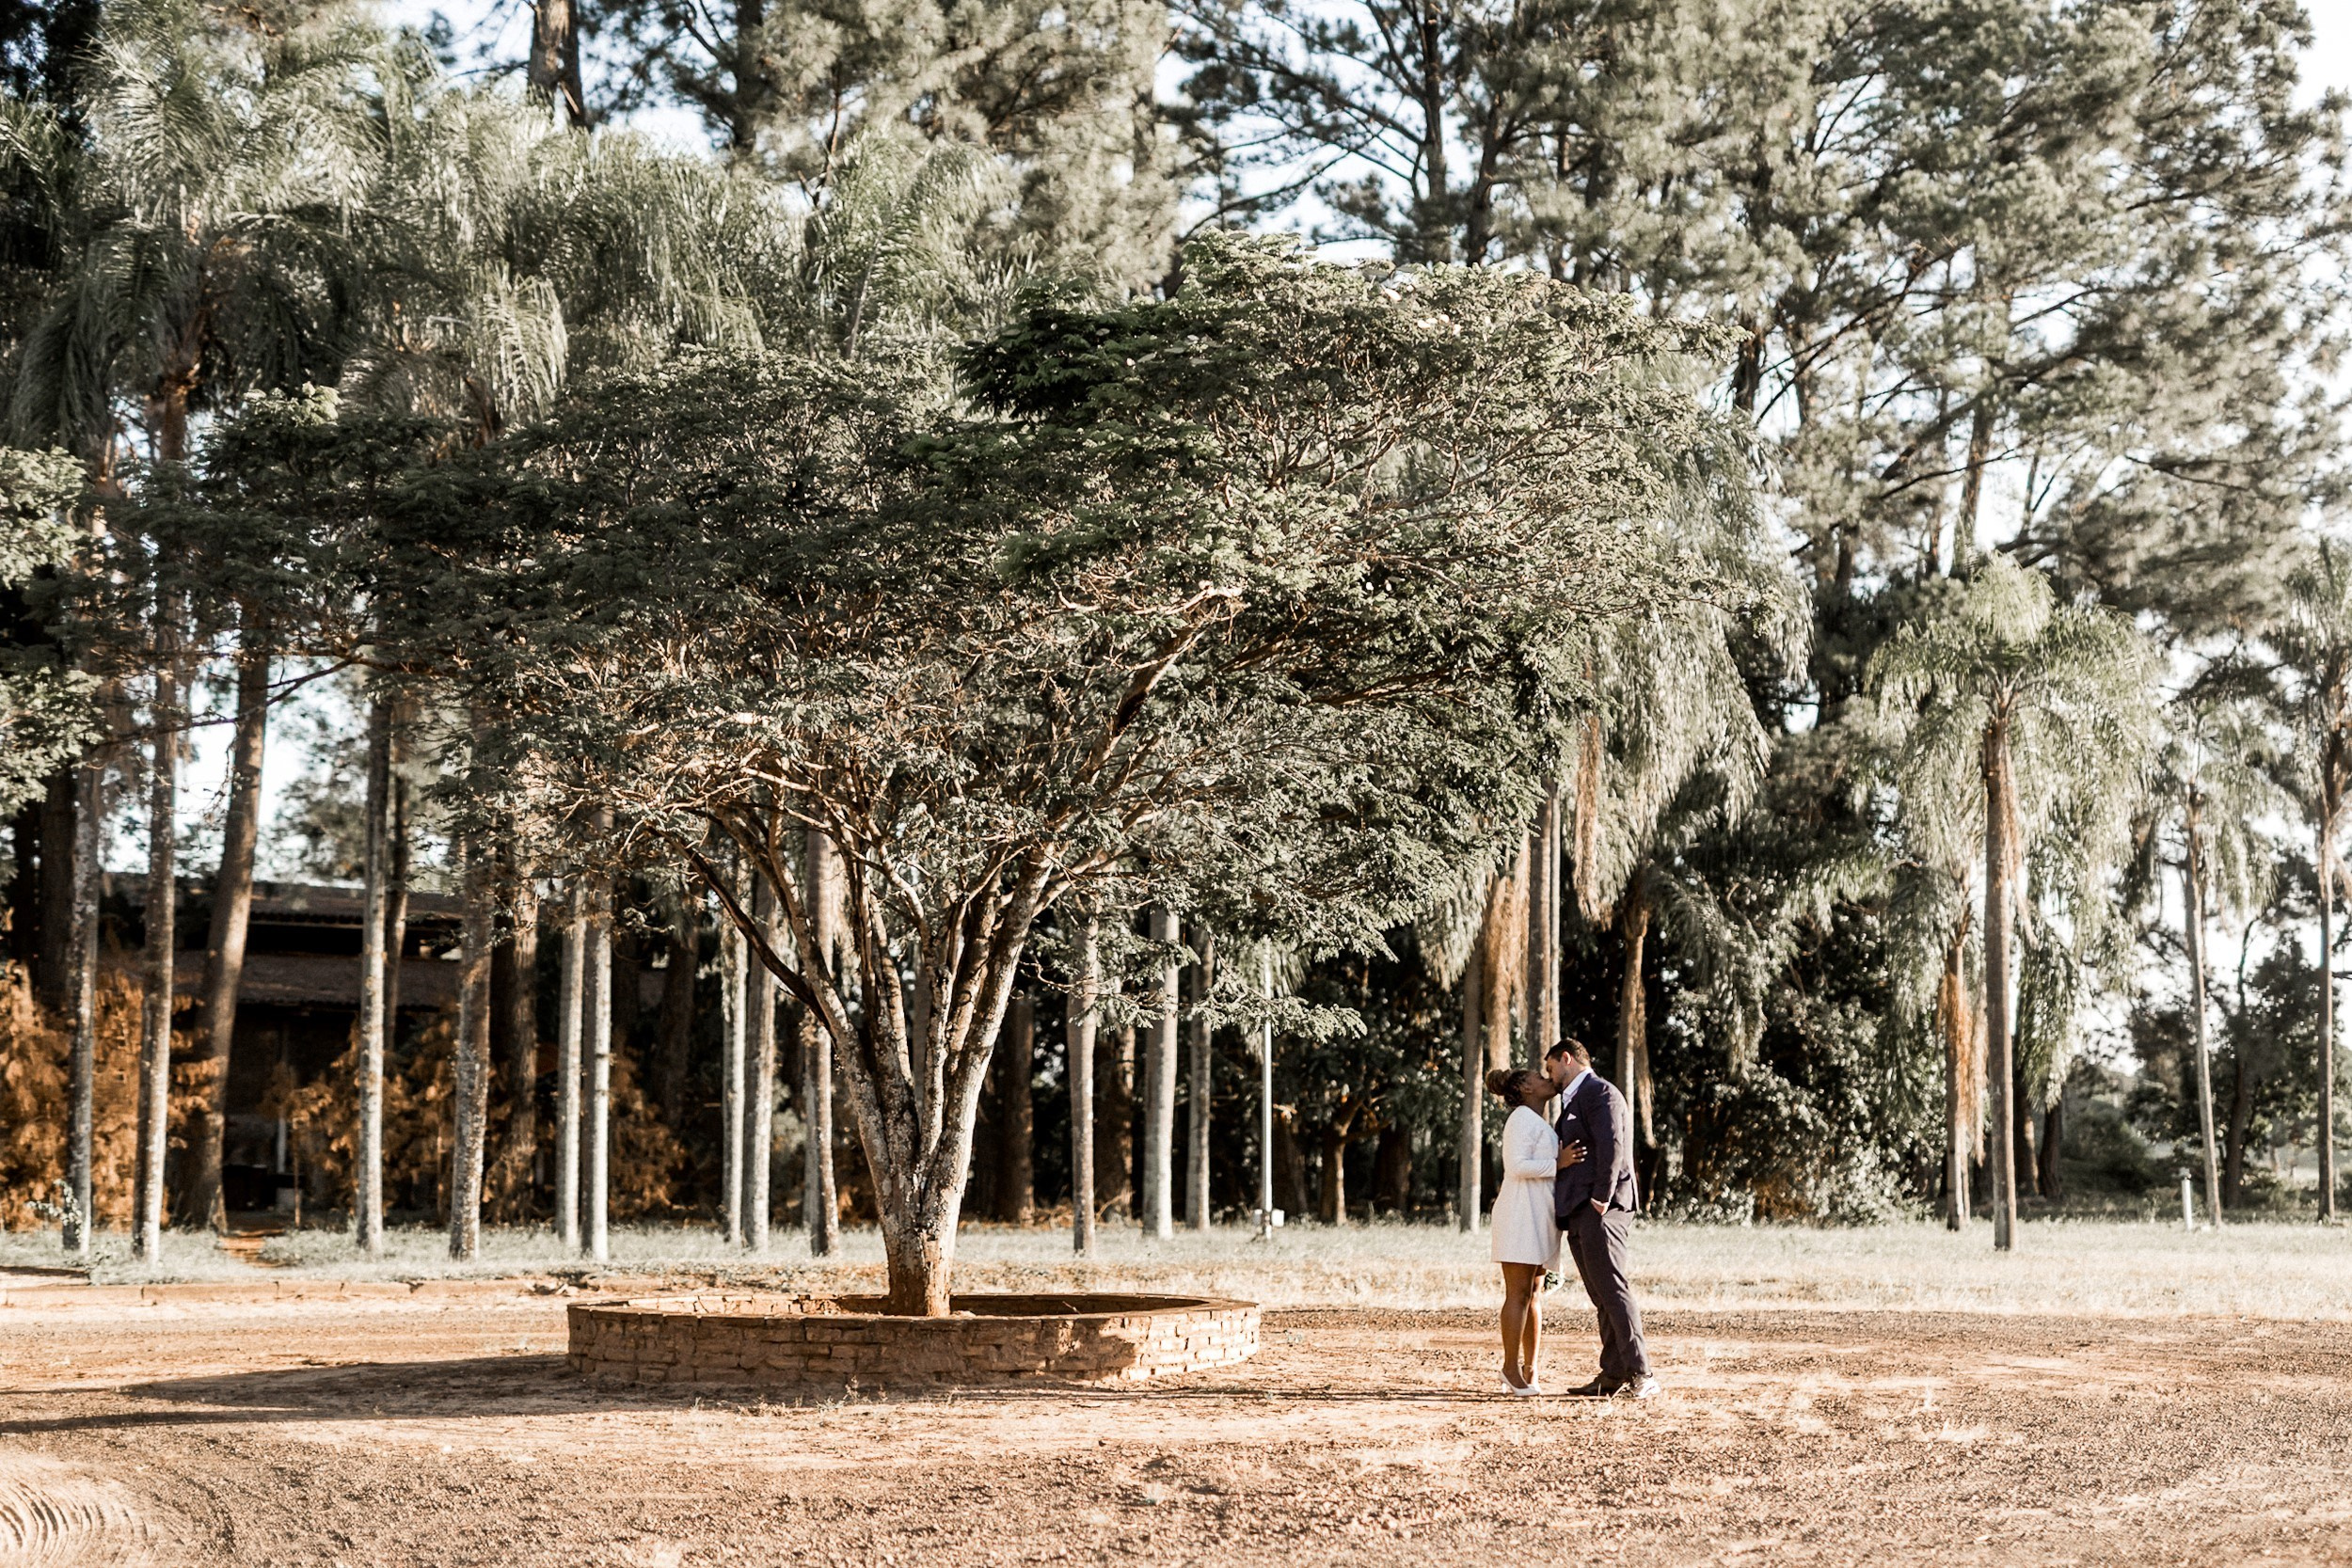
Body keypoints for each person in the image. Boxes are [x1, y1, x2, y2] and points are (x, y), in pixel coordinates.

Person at [1545, 1037, 1660, 1400]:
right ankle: (1613, 1375)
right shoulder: (1574, 1100)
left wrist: (1601, 1196)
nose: (1551, 1077)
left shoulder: (1602, 1093)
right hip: (1580, 1210)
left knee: (1613, 1287)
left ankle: (1642, 1374)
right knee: (1601, 1294)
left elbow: (1612, 1144)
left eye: (1551, 1069)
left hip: (1602, 1208)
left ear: (1568, 1059)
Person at [1485, 1066, 1584, 1394]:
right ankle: (1509, 1369)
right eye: (1540, 1078)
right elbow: (1515, 1166)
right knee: (1518, 1294)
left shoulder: (1539, 1122)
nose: (1547, 1079)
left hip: (1540, 1216)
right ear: (1526, 1088)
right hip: (1519, 1215)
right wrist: (1558, 1163)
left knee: (1535, 1295)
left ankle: (1531, 1368)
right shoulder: (1520, 1119)